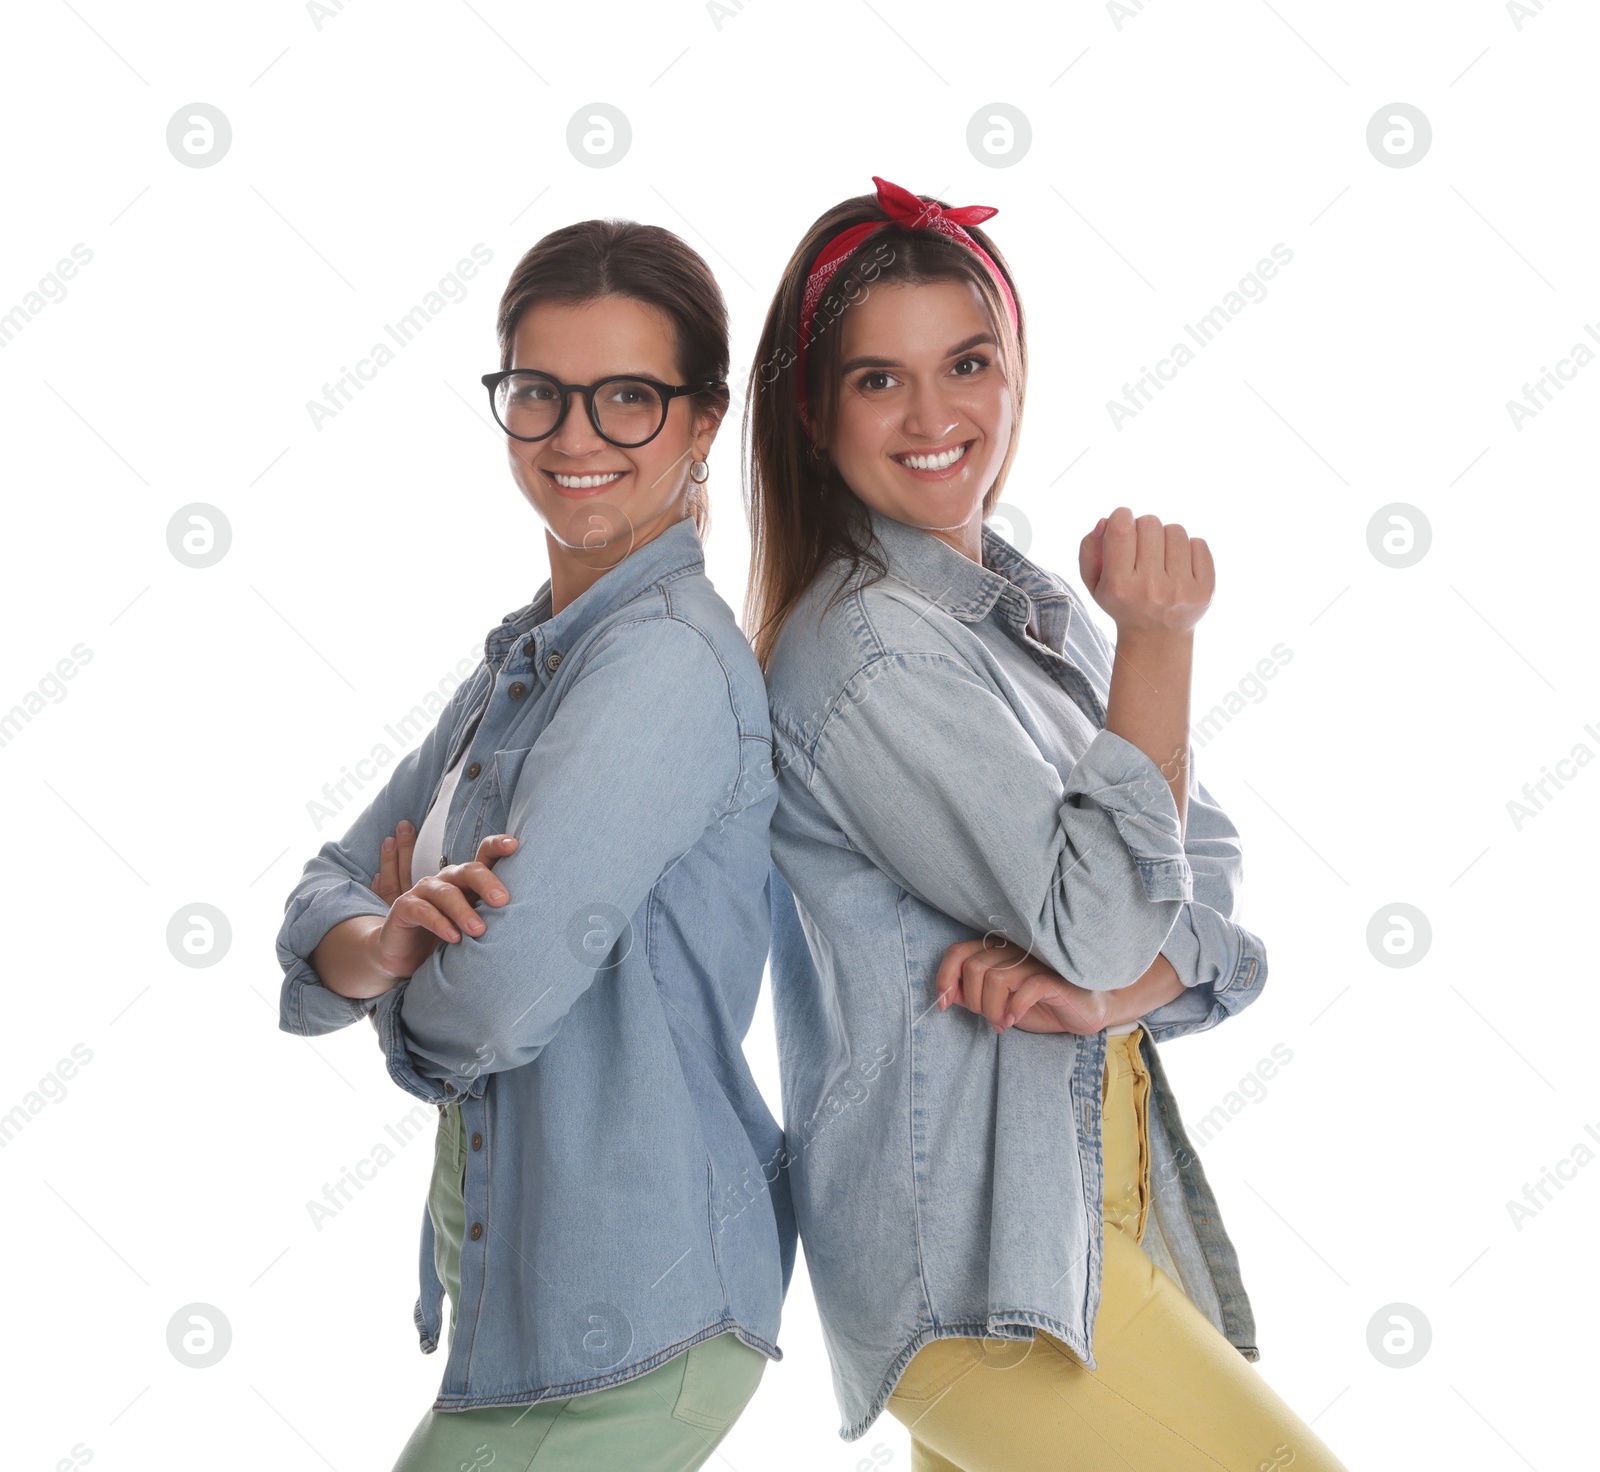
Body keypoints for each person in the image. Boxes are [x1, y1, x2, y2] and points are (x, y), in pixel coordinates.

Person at [742, 176, 1348, 1470]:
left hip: (1085, 1219)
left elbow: (1211, 866)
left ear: (1015, 368)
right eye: (876, 380)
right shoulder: (864, 657)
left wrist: (1116, 992)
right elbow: (1102, 916)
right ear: (813, 408)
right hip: (985, 1270)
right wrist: (1164, 643)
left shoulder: (1025, 611)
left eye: (966, 362)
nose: (934, 414)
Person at [274, 218, 795, 1471]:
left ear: (702, 419)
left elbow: (486, 1009)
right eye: (539, 392)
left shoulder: (662, 662)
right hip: (528, 1302)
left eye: (628, 398)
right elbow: (318, 891)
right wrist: (382, 933)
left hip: (635, 1306)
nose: (574, 438)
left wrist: (396, 979)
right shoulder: (527, 659)